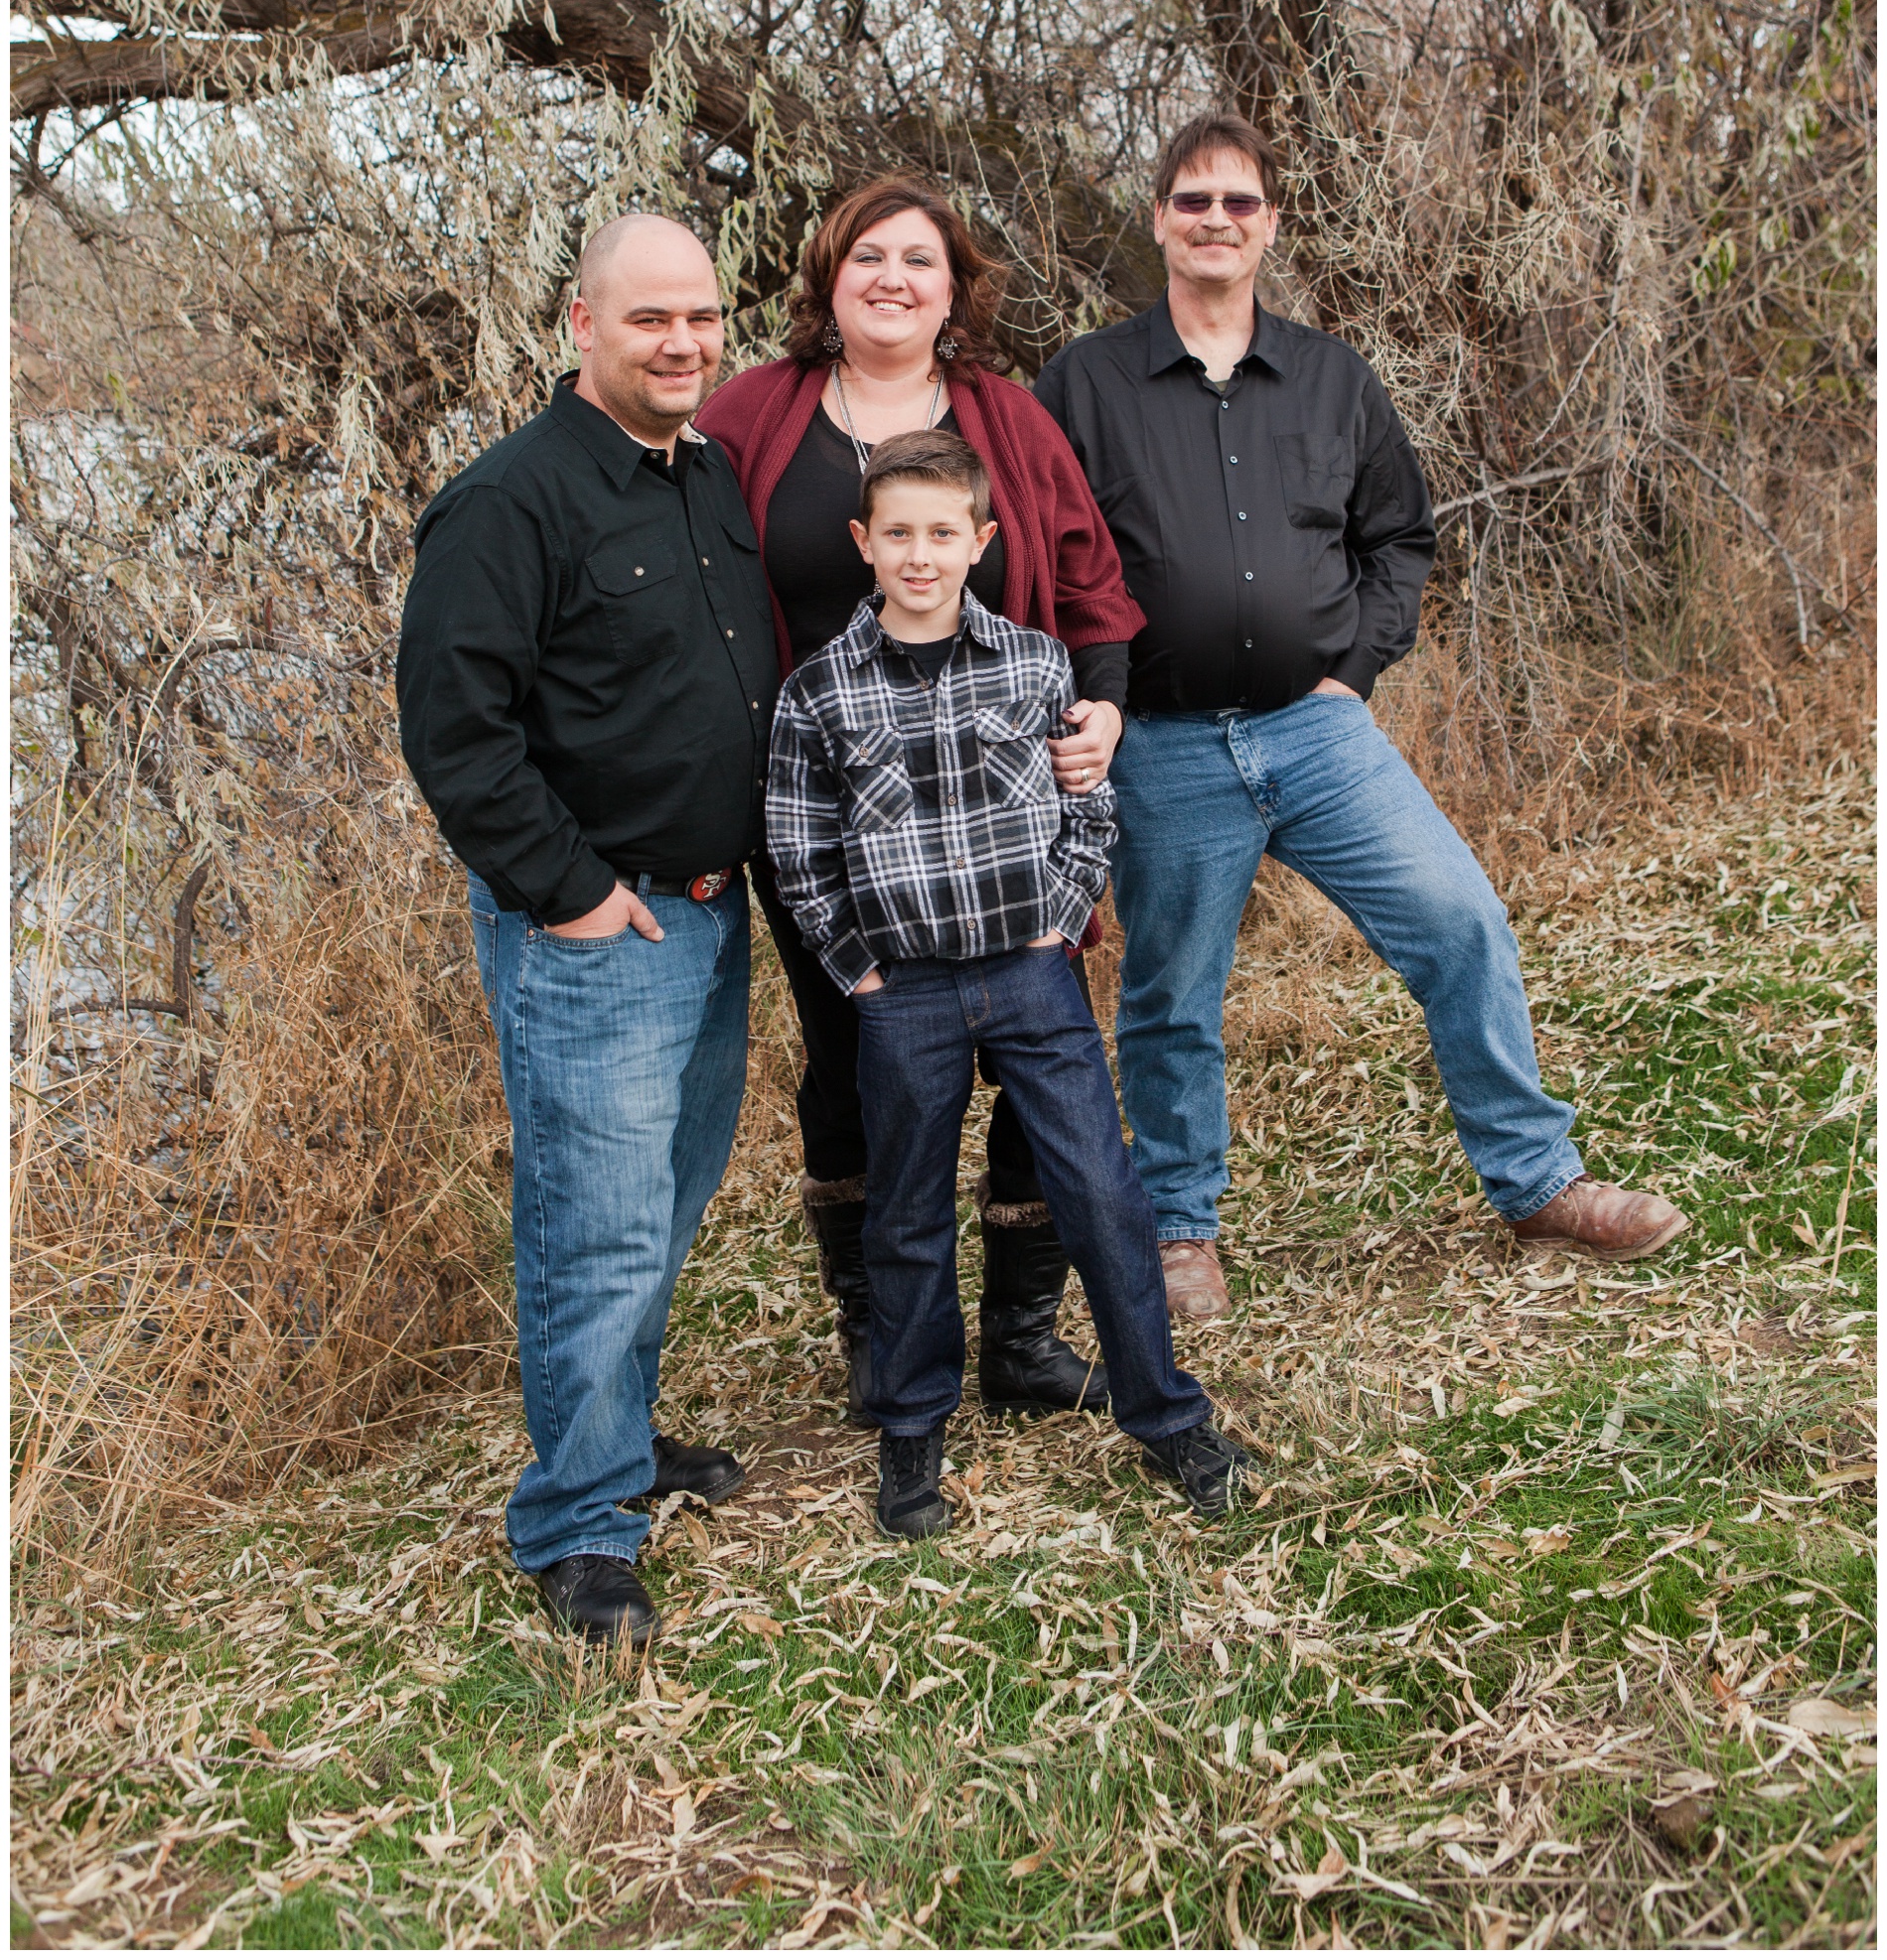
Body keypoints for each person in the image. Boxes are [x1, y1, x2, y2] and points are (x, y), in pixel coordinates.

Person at [1033, 112, 1686, 1320]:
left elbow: (1399, 538)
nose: (1216, 219)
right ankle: (1182, 1228)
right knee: (1173, 995)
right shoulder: (1084, 382)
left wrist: (1355, 665)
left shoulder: (1332, 377)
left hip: (1318, 731)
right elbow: (1049, 557)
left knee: (1461, 921)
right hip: (1165, 744)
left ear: (1270, 222)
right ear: (1159, 218)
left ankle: (1538, 1180)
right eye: (1193, 200)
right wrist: (1092, 701)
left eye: (1239, 201)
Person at [697, 178, 1145, 1422]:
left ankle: (1021, 1334)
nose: (893, 277)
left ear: (956, 289)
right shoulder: (751, 417)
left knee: (1035, 1058)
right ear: (826, 281)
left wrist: (1101, 706)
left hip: (1004, 811)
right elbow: (689, 582)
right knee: (851, 1067)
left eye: (920, 260)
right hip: (832, 826)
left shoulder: (1012, 421)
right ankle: (881, 1333)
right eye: (867, 257)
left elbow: (1088, 580)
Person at [396, 213, 778, 1650]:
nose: (682, 344)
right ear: (579, 327)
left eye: (700, 318)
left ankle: (617, 1444)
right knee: (593, 1233)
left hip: (708, 912)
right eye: (648, 322)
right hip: (596, 931)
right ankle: (577, 1528)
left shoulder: (709, 478)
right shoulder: (508, 504)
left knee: (659, 1213)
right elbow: (456, 732)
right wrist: (569, 895)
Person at [766, 428, 1248, 1537]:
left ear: (981, 540)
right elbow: (799, 847)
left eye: (943, 532)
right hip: (908, 993)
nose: (921, 554)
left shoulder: (1034, 663)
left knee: (1101, 1193)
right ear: (864, 542)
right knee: (906, 1213)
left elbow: (1087, 803)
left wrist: (1061, 916)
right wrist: (863, 970)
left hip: (1032, 975)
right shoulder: (819, 693)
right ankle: (911, 1425)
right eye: (899, 533)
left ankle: (1165, 1413)